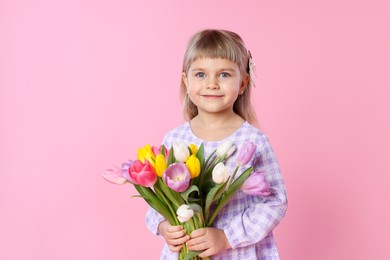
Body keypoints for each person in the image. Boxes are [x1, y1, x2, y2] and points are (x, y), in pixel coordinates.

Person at [145, 29, 288, 259]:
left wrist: (227, 236)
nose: (212, 84)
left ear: (243, 82)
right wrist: (163, 226)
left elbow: (275, 202)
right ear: (186, 80)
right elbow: (157, 198)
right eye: (201, 74)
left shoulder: (253, 141)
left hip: (237, 253)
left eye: (224, 75)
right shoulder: (175, 140)